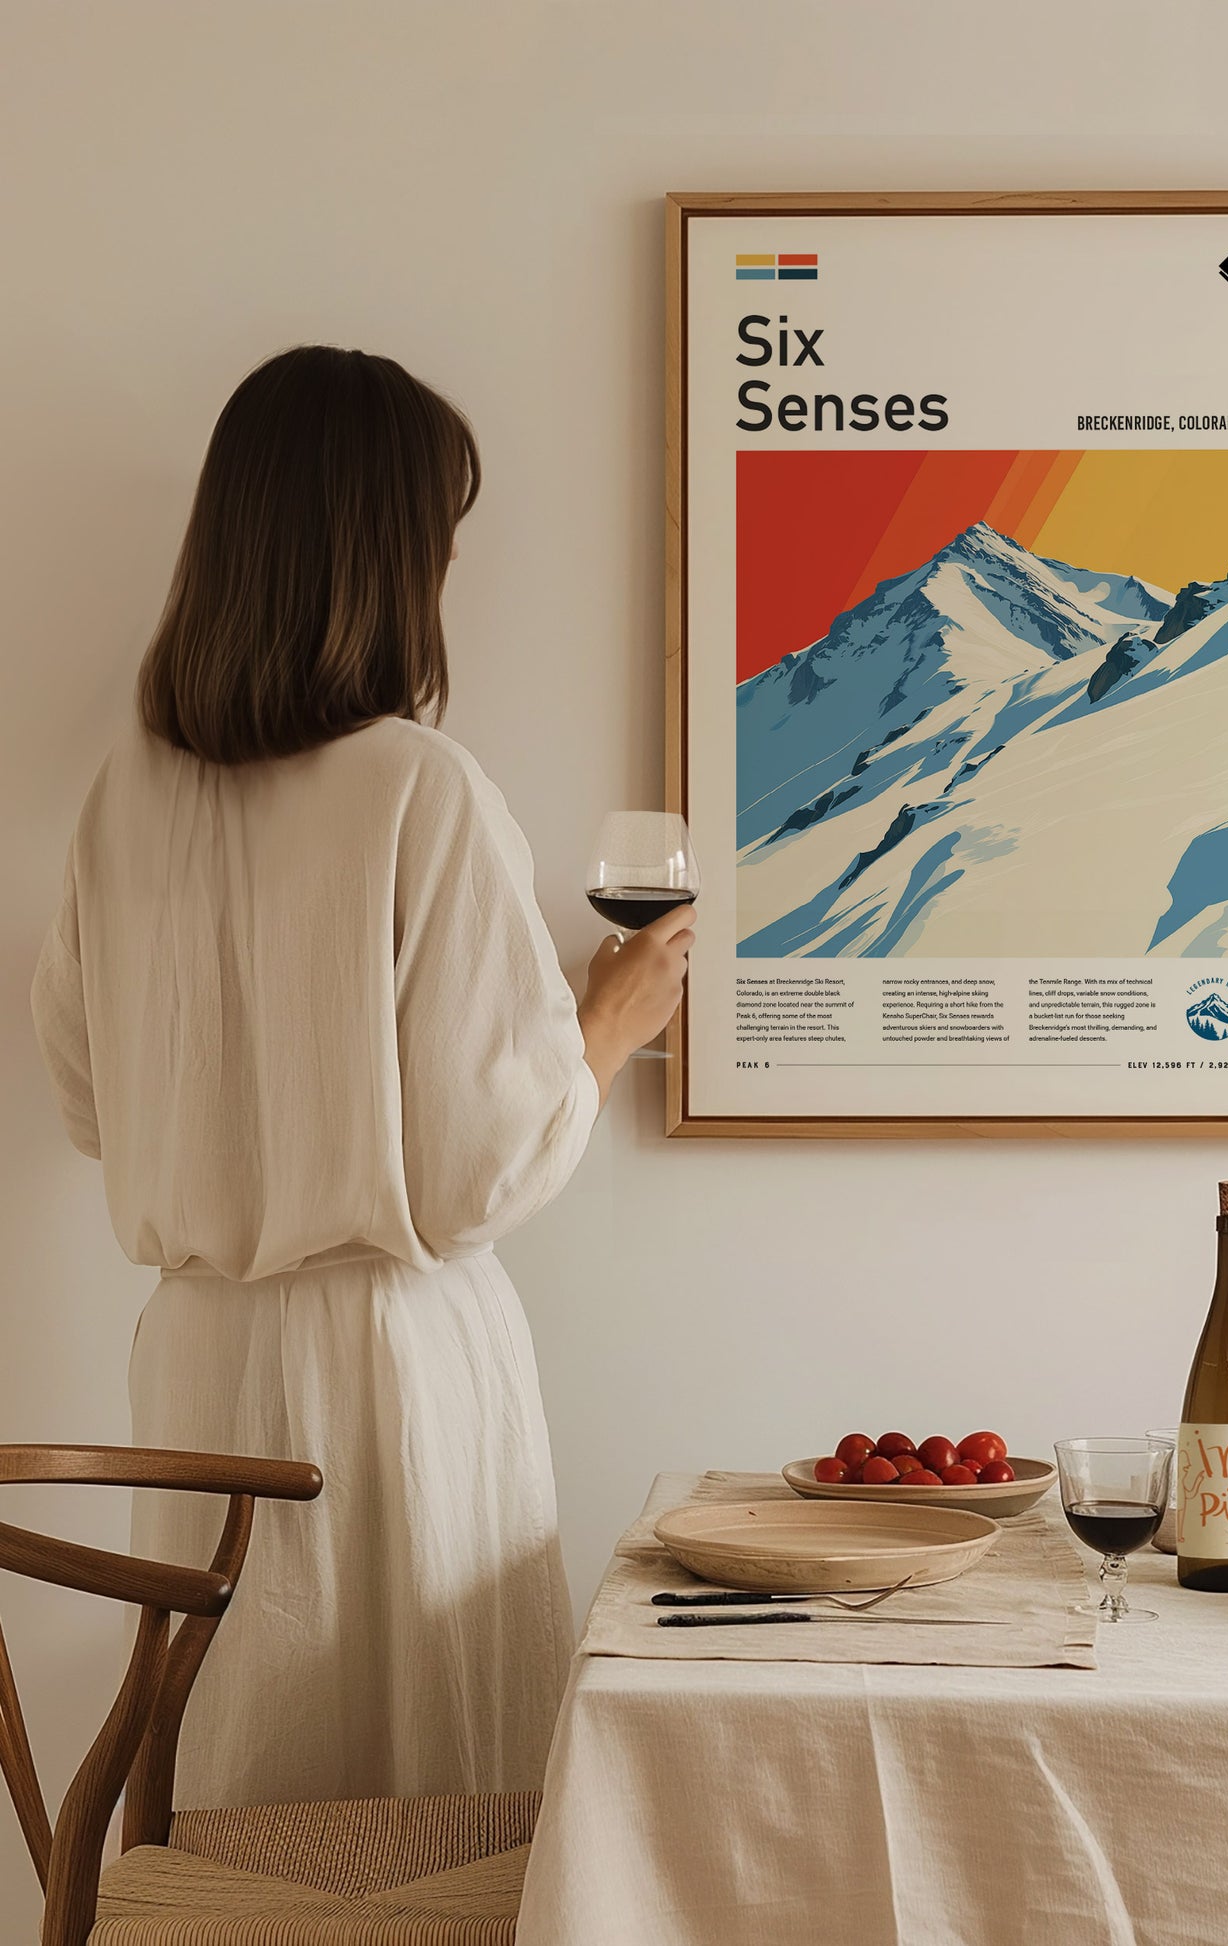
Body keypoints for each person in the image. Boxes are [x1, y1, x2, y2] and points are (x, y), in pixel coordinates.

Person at [29, 345, 690, 1806]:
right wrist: (607, 1019)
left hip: (198, 1361)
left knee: (241, 1789)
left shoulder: (122, 797)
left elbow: (87, 1100)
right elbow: (474, 1173)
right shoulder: (417, 785)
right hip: (390, 1372)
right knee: (423, 1810)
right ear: (388, 556)